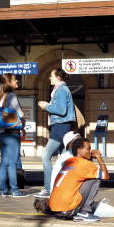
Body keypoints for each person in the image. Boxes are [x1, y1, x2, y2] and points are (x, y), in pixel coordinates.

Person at [35, 68, 76, 198]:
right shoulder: (60, 90)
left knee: (46, 156)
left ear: (58, 77)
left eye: (51, 75)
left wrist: (46, 106)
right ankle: (61, 186)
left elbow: (62, 110)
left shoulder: (62, 90)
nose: (49, 78)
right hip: (61, 125)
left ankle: (48, 188)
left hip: (60, 126)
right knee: (63, 158)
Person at [49, 137, 110, 222]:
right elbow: (106, 176)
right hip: (68, 210)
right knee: (96, 179)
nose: (91, 151)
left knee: (90, 177)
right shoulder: (85, 164)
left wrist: (89, 155)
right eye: (88, 149)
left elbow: (87, 171)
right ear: (80, 150)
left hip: (55, 209)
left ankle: (81, 211)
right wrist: (99, 157)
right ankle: (85, 212)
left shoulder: (68, 161)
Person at [0, 73, 28, 197]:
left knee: (4, 162)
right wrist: (23, 125)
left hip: (1, 133)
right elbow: (20, 114)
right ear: (9, 83)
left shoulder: (1, 97)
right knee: (13, 162)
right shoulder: (12, 96)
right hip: (11, 133)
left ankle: (3, 190)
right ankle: (15, 190)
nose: (17, 82)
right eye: (15, 80)